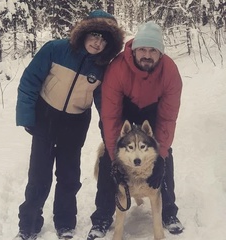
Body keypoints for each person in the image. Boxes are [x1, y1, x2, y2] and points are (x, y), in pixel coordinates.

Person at [14, 9, 124, 240]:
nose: (98, 42)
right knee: (39, 176)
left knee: (69, 176)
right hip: (46, 118)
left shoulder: (103, 67)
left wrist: (110, 135)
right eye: (94, 34)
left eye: (104, 39)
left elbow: (105, 105)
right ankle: (29, 224)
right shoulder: (55, 49)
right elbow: (29, 80)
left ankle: (65, 222)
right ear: (83, 32)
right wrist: (27, 116)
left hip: (75, 123)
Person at [87, 21, 184, 239]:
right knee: (107, 158)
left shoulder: (170, 71)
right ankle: (102, 216)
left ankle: (168, 211)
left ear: (160, 53)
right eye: (142, 49)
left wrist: (160, 156)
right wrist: (114, 158)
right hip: (123, 110)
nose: (147, 54)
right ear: (135, 49)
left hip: (152, 110)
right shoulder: (118, 67)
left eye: (153, 50)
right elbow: (111, 116)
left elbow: (167, 118)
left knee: (164, 157)